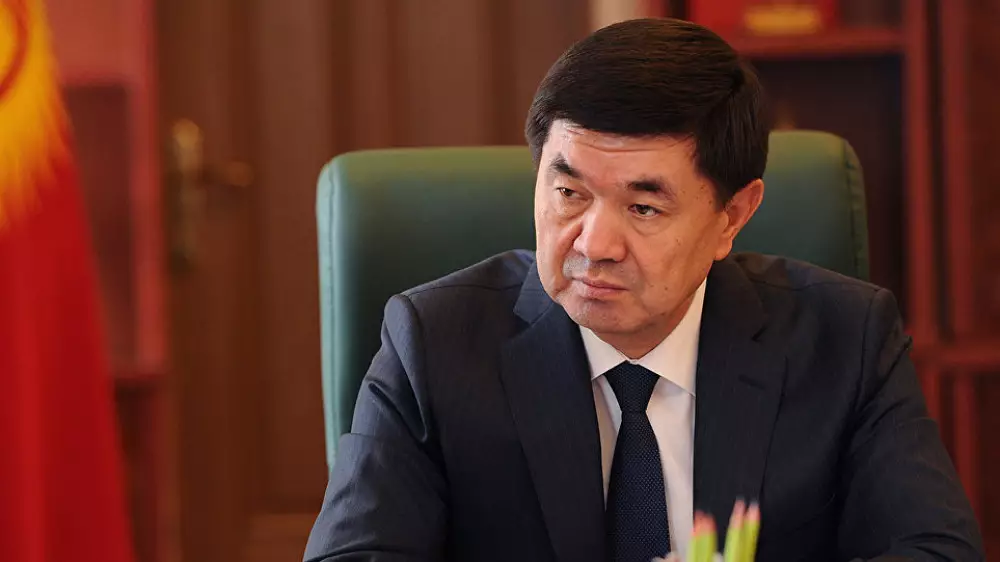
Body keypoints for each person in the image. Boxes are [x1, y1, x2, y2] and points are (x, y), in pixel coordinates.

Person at [303, 17, 983, 562]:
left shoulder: (845, 340)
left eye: (644, 207)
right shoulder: (434, 344)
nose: (594, 244)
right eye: (568, 193)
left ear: (732, 216)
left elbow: (935, 549)